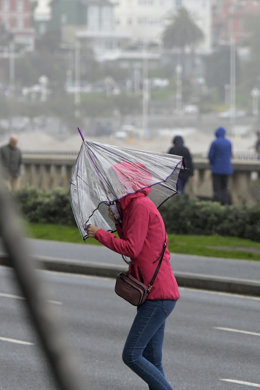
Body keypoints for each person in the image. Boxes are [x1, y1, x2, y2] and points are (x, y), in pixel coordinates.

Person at [87, 161, 180, 390]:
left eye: (117, 181)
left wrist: (99, 233)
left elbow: (131, 248)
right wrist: (118, 220)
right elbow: (138, 244)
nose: (113, 185)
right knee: (152, 359)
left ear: (128, 182)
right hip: (154, 293)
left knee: (132, 355)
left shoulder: (140, 206)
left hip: (157, 294)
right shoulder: (135, 206)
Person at [208, 127, 233, 205]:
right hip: (227, 169)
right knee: (224, 187)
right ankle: (225, 203)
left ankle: (217, 204)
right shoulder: (229, 142)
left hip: (216, 169)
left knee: (216, 188)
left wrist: (212, 163)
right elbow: (230, 155)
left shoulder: (215, 142)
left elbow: (210, 156)